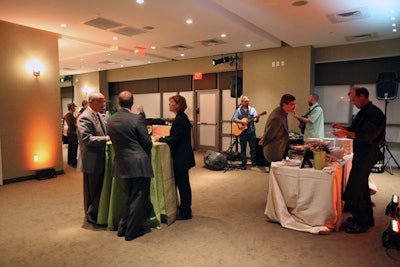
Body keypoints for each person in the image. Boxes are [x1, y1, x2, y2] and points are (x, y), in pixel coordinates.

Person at [331, 87, 385, 234]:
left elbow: (367, 136)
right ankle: (368, 219)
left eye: (354, 99)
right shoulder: (363, 112)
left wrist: (346, 133)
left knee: (356, 188)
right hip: (362, 153)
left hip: (368, 154)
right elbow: (355, 130)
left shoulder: (374, 113)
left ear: (362, 96)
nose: (353, 103)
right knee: (362, 188)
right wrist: (343, 128)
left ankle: (361, 222)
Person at [107, 91, 154, 241]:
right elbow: (147, 142)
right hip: (138, 163)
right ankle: (132, 231)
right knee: (139, 197)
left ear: (118, 104)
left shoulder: (111, 120)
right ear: (132, 103)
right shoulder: (137, 119)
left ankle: (123, 228)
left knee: (130, 196)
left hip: (122, 163)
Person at [154, 95, 195, 220]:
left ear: (178, 104)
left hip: (181, 156)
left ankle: (185, 212)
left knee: (182, 185)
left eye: (171, 102)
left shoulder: (179, 119)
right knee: (184, 184)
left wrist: (160, 138)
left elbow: (175, 139)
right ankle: (185, 209)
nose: (169, 104)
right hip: (184, 155)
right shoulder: (182, 117)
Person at [77, 92, 110, 224]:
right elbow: (86, 139)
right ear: (91, 102)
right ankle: (90, 214)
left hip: (100, 157)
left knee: (99, 186)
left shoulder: (99, 115)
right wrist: (106, 139)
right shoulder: (84, 117)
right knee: (91, 189)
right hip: (91, 159)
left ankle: (96, 212)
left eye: (103, 102)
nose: (103, 105)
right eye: (100, 102)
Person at [260, 94, 296, 163]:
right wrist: (263, 141)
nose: (294, 106)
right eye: (292, 104)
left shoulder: (282, 112)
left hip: (279, 149)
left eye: (294, 104)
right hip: (274, 150)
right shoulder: (277, 117)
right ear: (284, 104)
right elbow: (269, 134)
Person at [232, 95, 260, 167]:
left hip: (251, 131)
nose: (248, 102)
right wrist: (242, 122)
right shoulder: (238, 110)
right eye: (246, 101)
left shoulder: (252, 110)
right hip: (242, 132)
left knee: (253, 148)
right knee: (243, 148)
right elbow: (234, 119)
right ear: (242, 102)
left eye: (248, 101)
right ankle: (243, 162)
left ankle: (254, 162)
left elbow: (256, 121)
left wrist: (257, 118)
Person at [63, 103, 78, 167]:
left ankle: (70, 160)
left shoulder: (66, 114)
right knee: (74, 147)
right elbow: (75, 123)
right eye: (74, 107)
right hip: (73, 132)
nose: (75, 108)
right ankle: (74, 162)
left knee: (70, 147)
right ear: (72, 108)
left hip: (69, 131)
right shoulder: (70, 114)